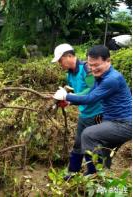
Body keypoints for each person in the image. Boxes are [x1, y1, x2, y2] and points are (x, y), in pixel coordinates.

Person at [53, 45, 132, 175]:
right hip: (104, 118)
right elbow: (90, 92)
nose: (93, 69)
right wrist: (69, 101)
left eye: (96, 65)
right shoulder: (86, 75)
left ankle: (93, 174)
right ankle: (92, 176)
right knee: (100, 149)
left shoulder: (110, 78)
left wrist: (66, 96)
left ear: (108, 61)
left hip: (109, 118)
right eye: (91, 65)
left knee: (88, 135)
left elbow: (90, 96)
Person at [51, 44, 102, 179]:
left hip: (97, 114)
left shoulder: (86, 69)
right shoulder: (69, 75)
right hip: (84, 114)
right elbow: (75, 92)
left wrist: (70, 98)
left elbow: (93, 90)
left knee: (93, 146)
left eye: (60, 60)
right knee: (78, 143)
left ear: (69, 56)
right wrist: (66, 99)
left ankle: (95, 175)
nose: (59, 64)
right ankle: (72, 172)